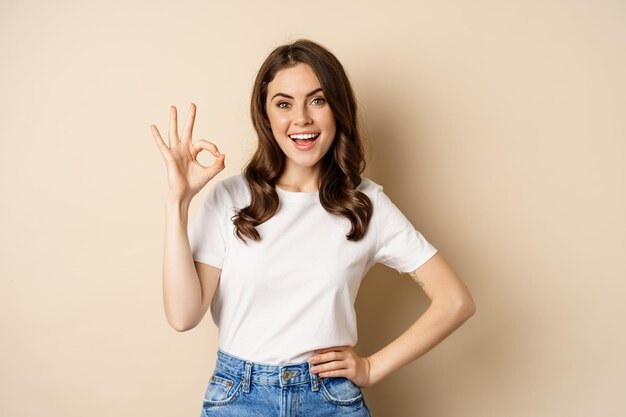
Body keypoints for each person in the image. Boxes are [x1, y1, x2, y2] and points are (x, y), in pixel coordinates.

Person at [150, 38, 476, 417]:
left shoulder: (366, 204)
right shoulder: (230, 198)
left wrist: (371, 367)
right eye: (284, 103)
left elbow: (456, 301)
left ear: (338, 109)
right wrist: (179, 202)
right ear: (266, 115)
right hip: (239, 397)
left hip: (331, 400)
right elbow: (183, 316)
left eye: (317, 101)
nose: (301, 118)